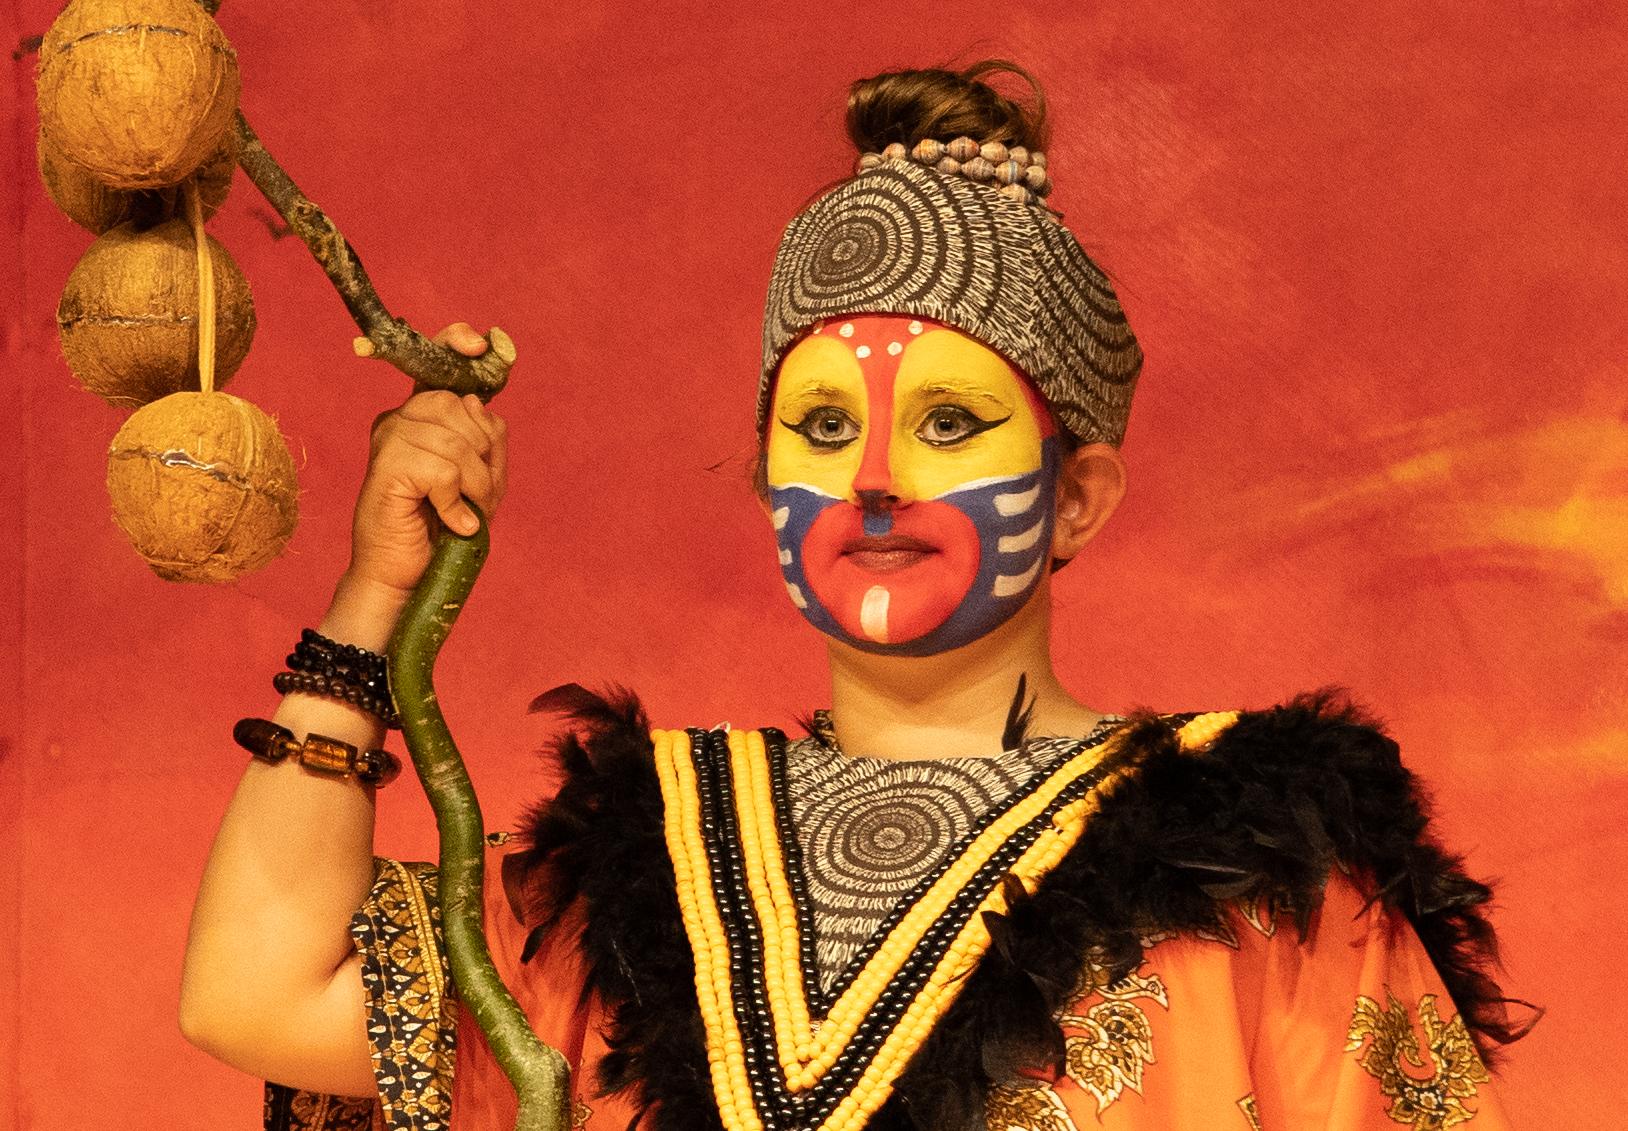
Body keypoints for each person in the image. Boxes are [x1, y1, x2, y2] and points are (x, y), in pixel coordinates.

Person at [179, 62, 1529, 1131]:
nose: (874, 477)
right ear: (769, 481)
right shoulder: (652, 876)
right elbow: (257, 990)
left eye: (948, 423)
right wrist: (377, 594)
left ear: (1078, 496)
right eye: (823, 428)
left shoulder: (1258, 875)